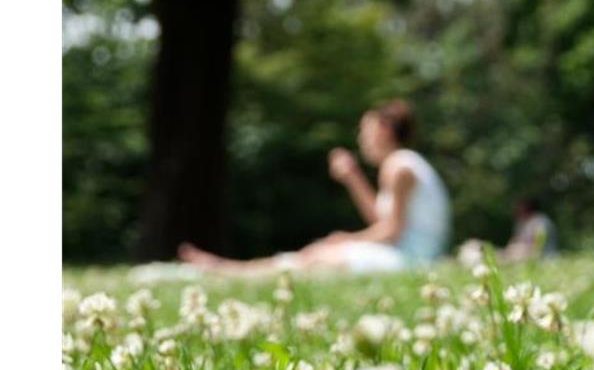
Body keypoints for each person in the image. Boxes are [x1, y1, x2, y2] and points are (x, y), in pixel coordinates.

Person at [179, 99, 451, 274]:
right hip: (411, 257)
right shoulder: (404, 164)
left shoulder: (399, 166)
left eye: (365, 131)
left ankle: (231, 270)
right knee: (317, 254)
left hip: (412, 262)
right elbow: (382, 222)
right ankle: (232, 269)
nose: (361, 138)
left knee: (317, 256)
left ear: (385, 130)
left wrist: (348, 239)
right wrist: (353, 177)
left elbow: (391, 231)